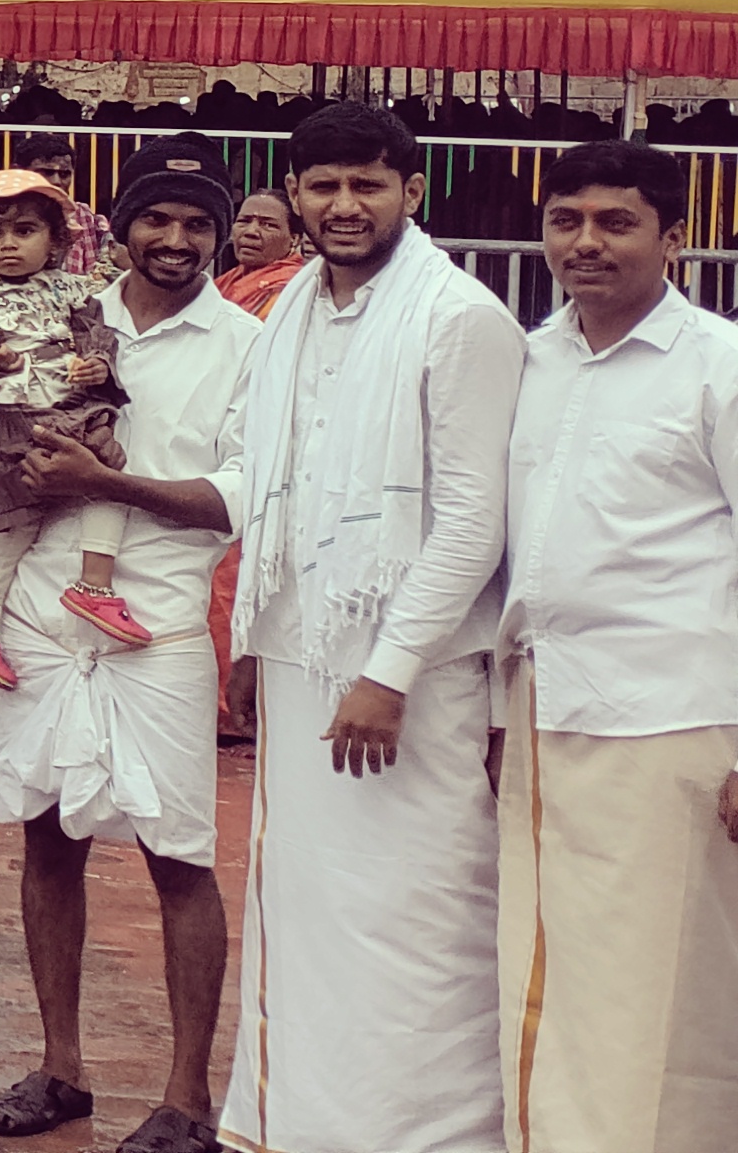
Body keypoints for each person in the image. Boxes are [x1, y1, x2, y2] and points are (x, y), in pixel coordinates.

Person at [218, 104, 518, 1153]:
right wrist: (256, 640)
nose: (344, 206)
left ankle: (432, 1136)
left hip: (408, 675)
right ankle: (307, 1127)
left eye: (367, 185)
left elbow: (473, 520)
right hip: (306, 657)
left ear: (412, 191)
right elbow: (274, 484)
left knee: (416, 917)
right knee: (306, 911)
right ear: (294, 192)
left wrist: (387, 673)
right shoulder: (292, 304)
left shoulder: (458, 317)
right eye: (324, 186)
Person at [0, 163, 250, 1151]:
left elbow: (239, 492)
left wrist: (111, 482)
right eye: (156, 219)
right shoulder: (64, 312)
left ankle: (185, 1098)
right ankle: (61, 1068)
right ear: (122, 228)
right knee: (44, 836)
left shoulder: (246, 345)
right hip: (44, 615)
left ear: (217, 236)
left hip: (160, 628)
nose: (175, 238)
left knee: (177, 853)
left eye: (195, 223)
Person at [495, 139, 738, 1153]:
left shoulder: (719, 364)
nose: (585, 243)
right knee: (548, 969)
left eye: (615, 222)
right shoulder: (531, 358)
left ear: (674, 239)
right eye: (566, 221)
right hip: (545, 706)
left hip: (672, 713)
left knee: (662, 992)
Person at [0, 171, 142, 690]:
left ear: (53, 242)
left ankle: (70, 592)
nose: (7, 244)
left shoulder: (73, 294)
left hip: (59, 413)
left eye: (24, 231)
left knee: (104, 475)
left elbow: (100, 340)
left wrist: (96, 365)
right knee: (40, 511)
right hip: (0, 426)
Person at [214, 190, 302, 316]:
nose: (251, 232)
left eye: (267, 225)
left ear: (294, 239)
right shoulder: (226, 281)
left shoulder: (291, 289)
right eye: (243, 221)